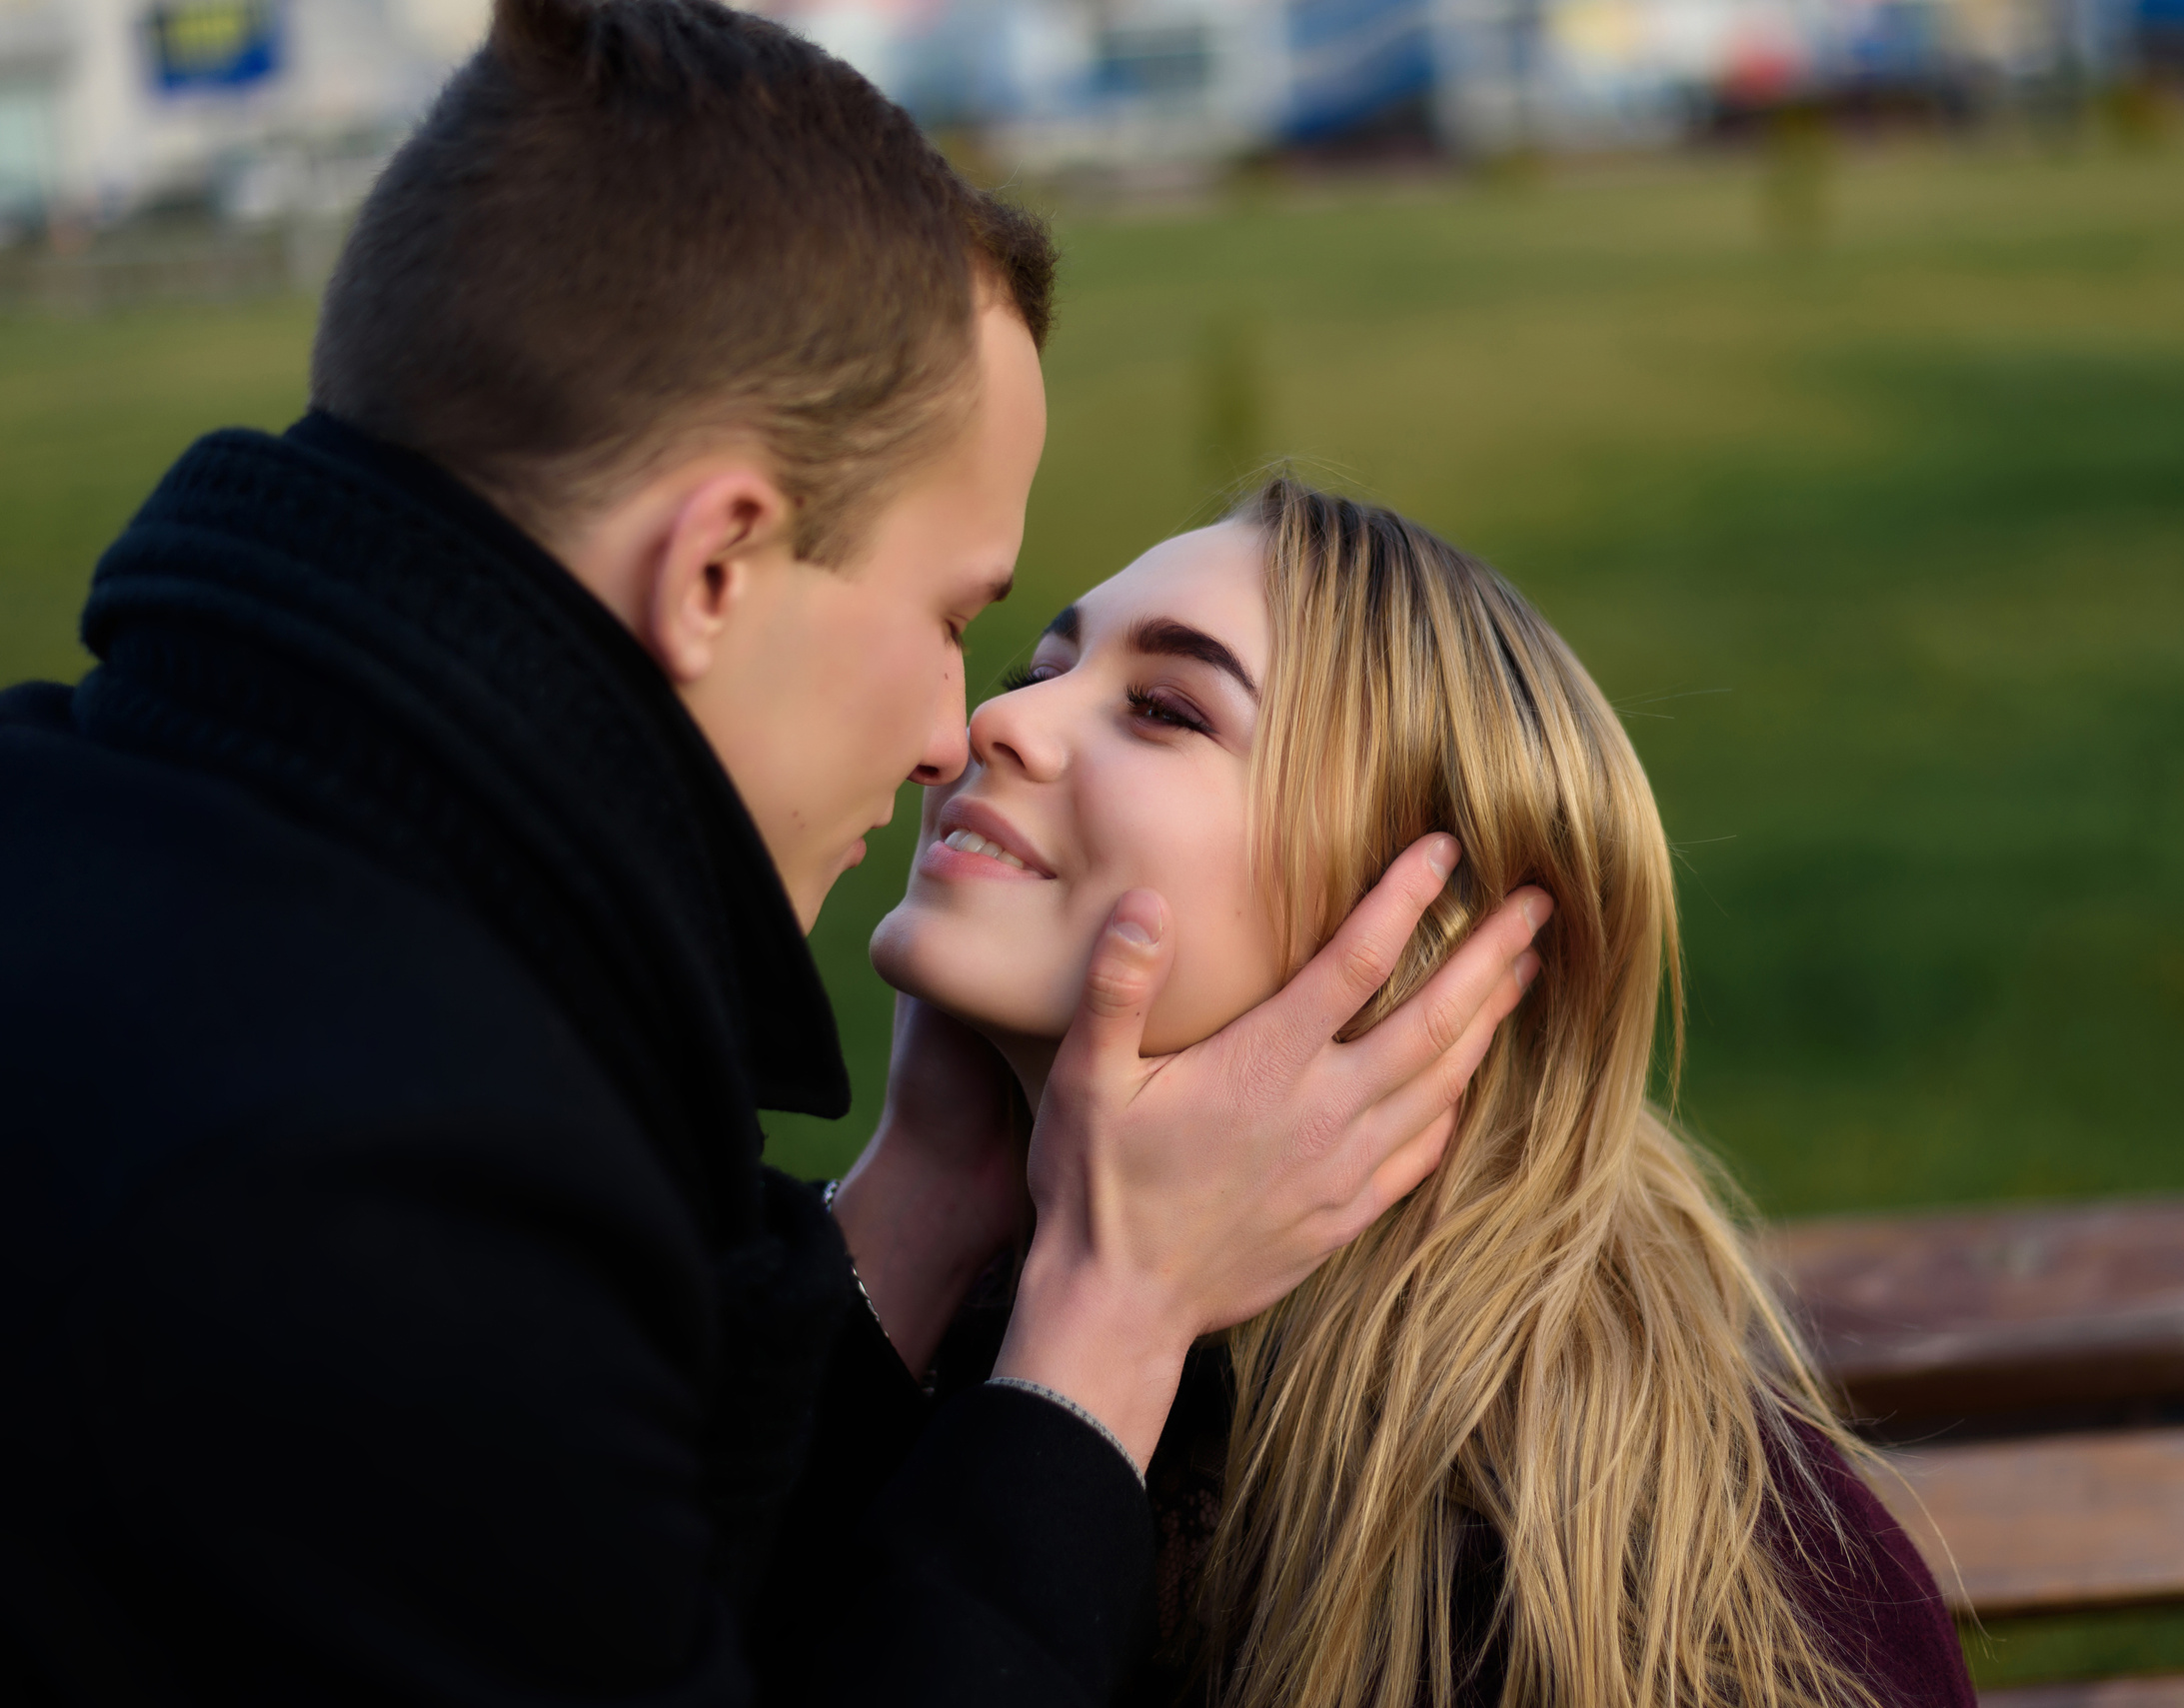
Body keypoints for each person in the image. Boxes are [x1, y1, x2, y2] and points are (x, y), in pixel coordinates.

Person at [0, 3, 1546, 1703]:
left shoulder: (166, 872)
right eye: (964, 618)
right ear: (718, 568)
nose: (960, 728)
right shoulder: (399, 1195)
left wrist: (913, 1201)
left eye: (1162, 705)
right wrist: (1113, 1315)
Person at [869, 480, 1976, 1708]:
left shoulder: (1620, 1578)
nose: (999, 720)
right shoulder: (950, 1338)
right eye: (1038, 664)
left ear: (1417, 941)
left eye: (1164, 709)